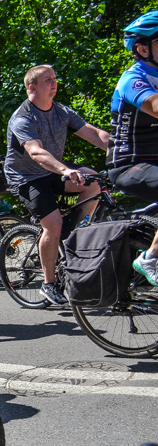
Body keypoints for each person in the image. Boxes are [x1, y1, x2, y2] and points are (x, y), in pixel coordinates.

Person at [5, 64, 110, 305]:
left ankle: (75, 233)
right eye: (47, 80)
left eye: (55, 78)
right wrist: (65, 170)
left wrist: (125, 149)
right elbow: (36, 152)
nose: (54, 83)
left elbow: (94, 134)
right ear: (32, 88)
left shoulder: (62, 111)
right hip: (26, 178)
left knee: (92, 181)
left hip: (52, 170)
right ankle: (48, 284)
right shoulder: (23, 118)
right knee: (52, 224)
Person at [110, 10, 158, 286]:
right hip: (129, 164)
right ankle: (150, 257)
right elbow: (154, 106)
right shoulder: (133, 78)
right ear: (142, 48)